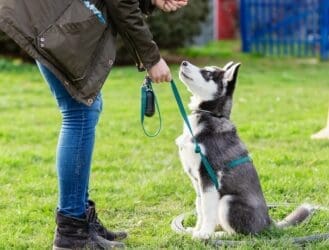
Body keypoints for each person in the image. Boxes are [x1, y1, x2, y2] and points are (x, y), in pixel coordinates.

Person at [0, 0, 188, 249]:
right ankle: (71, 231)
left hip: (49, 16)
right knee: (79, 113)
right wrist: (152, 58)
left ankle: (79, 219)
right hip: (47, 18)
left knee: (86, 108)